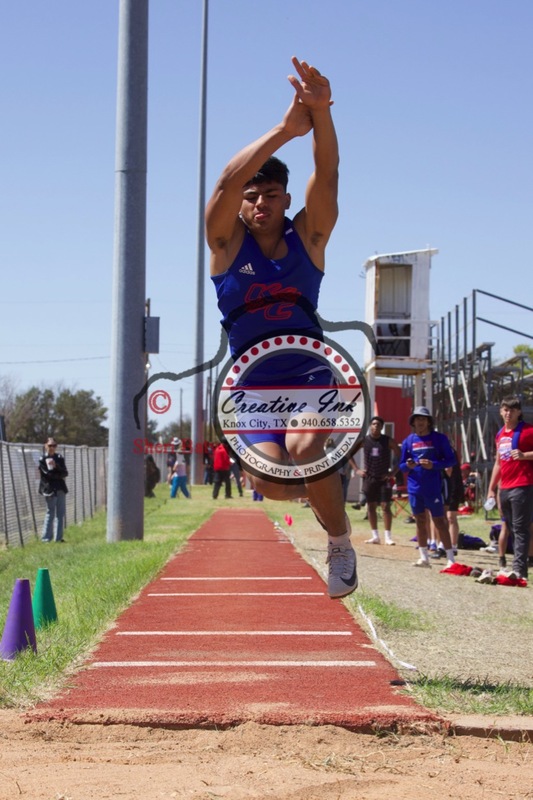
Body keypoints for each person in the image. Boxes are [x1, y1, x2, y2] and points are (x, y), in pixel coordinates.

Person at [206, 56, 356, 599]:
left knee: (309, 443)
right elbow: (225, 181)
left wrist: (321, 113)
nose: (260, 201)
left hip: (310, 374)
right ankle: (320, 493)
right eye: (252, 196)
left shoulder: (309, 238)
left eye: (270, 194)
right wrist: (285, 130)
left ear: (286, 201)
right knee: (271, 482)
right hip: (252, 386)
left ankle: (339, 542)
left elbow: (330, 175)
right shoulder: (224, 246)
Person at [399, 407, 456, 568]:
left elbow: (451, 460)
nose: (420, 422)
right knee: (420, 521)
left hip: (433, 487)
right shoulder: (408, 441)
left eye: (423, 419)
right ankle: (424, 557)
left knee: (439, 521)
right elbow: (401, 466)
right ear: (413, 422)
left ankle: (450, 558)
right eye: (417, 419)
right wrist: (408, 465)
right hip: (414, 488)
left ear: (429, 421)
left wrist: (434, 465)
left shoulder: (439, 439)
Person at [487, 395, 533, 580]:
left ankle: (520, 571)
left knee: (521, 529)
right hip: (504, 487)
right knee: (511, 528)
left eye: (512, 409)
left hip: (523, 485)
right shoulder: (500, 434)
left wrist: (525, 455)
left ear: (519, 412)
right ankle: (514, 566)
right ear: (500, 411)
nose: (508, 413)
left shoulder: (528, 430)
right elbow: (498, 463)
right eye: (505, 409)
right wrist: (492, 489)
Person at [353, 416, 400, 545]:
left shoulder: (387, 441)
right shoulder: (364, 441)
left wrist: (393, 472)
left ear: (382, 427)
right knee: (371, 506)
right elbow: (349, 454)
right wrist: (356, 469)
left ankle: (388, 537)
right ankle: (375, 536)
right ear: (370, 426)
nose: (376, 426)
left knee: (385, 506)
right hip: (369, 478)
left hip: (384, 477)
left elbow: (400, 455)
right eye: (373, 424)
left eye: (378, 425)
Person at [38, 437, 68, 543]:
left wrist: (56, 466)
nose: (52, 448)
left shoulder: (59, 458)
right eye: (50, 445)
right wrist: (58, 474)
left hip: (60, 488)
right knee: (50, 512)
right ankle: (46, 538)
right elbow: (48, 475)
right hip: (49, 488)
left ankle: (58, 538)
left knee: (60, 514)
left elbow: (65, 473)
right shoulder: (42, 459)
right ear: (46, 446)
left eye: (54, 445)